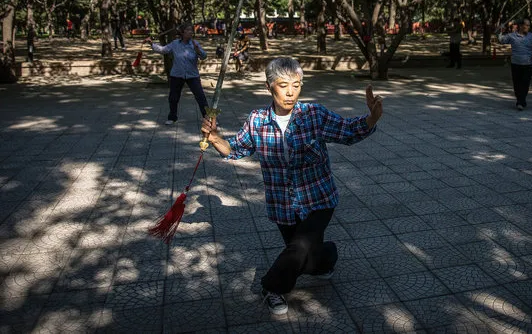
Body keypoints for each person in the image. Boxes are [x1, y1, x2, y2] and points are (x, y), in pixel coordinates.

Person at [200, 57, 383, 315]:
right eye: (283, 85)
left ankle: (271, 287)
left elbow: (347, 130)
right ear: (269, 87)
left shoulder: (313, 115)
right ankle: (326, 257)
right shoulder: (257, 121)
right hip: (283, 205)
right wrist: (216, 138)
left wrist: (371, 120)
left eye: (296, 85)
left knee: (298, 249)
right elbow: (236, 149)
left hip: (318, 199)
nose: (290, 92)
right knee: (308, 260)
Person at [143, 23, 208, 125]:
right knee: (173, 98)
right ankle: (172, 117)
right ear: (182, 32)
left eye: (191, 30)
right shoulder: (175, 44)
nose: (190, 32)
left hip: (192, 75)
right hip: (177, 75)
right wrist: (152, 44)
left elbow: (204, 56)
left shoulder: (195, 44)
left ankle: (207, 118)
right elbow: (163, 50)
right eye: (188, 30)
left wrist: (198, 50)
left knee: (201, 97)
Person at [498, 18, 532, 111]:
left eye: (529, 25)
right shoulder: (512, 36)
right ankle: (521, 100)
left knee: (525, 83)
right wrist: (502, 31)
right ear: (521, 26)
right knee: (517, 84)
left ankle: (520, 101)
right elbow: (502, 40)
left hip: (528, 64)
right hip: (516, 63)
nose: (527, 27)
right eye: (526, 25)